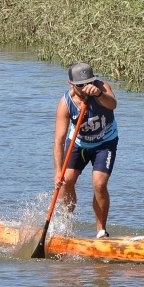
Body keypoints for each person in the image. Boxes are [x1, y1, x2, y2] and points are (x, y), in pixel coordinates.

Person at [54, 62, 119, 239]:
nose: (85, 88)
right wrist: (58, 171)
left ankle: (101, 231)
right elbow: (59, 140)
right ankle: (65, 227)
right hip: (79, 144)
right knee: (66, 181)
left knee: (99, 184)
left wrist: (98, 94)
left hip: (105, 142)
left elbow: (113, 104)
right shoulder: (65, 103)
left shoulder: (101, 87)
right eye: (80, 85)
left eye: (88, 83)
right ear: (71, 84)